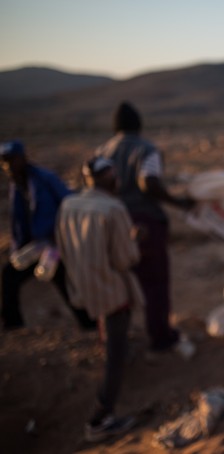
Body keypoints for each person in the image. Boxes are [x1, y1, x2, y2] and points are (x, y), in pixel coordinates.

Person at [95, 102, 195, 359]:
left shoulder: (102, 152)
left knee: (115, 282)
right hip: (144, 222)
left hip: (109, 223)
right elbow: (148, 181)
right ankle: (160, 338)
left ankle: (114, 342)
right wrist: (177, 202)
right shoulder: (146, 149)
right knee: (154, 282)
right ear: (139, 125)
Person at [56, 157, 141, 442]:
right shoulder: (114, 209)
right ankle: (100, 419)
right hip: (112, 290)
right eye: (114, 175)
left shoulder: (68, 205)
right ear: (109, 178)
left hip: (84, 286)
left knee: (111, 339)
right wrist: (137, 240)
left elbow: (62, 248)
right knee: (115, 356)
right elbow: (125, 258)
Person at [1, 140, 96, 331]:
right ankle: (13, 325)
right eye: (4, 162)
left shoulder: (44, 179)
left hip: (55, 243)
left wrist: (62, 234)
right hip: (34, 246)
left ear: (22, 158)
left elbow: (68, 203)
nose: (8, 165)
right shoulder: (16, 186)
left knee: (64, 284)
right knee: (10, 276)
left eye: (11, 160)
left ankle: (89, 326)